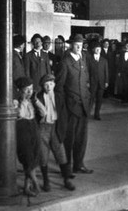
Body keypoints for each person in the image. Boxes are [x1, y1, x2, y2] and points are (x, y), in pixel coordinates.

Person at [56, 34, 93, 175]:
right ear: (71, 45)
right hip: (70, 107)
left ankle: (79, 164)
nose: (80, 47)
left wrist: (88, 98)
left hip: (83, 105)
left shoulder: (83, 60)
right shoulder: (65, 62)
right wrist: (63, 107)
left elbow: (86, 81)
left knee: (82, 138)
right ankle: (67, 167)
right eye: (77, 45)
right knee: (69, 139)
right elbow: (59, 88)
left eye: (81, 45)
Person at [36, 74, 75, 192]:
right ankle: (46, 181)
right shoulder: (38, 97)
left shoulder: (59, 96)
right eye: (46, 85)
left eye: (51, 84)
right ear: (42, 86)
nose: (48, 87)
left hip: (55, 126)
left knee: (61, 153)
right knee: (43, 155)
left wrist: (62, 129)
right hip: (43, 127)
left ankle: (66, 179)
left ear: (54, 85)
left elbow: (63, 113)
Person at [14, 76, 44, 196]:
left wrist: (36, 100)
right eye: (26, 90)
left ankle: (27, 187)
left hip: (33, 128)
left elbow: (44, 112)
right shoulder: (16, 102)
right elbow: (20, 114)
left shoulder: (33, 100)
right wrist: (23, 101)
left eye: (31, 89)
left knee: (35, 158)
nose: (29, 92)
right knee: (27, 158)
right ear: (19, 90)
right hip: (22, 129)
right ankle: (36, 185)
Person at [88, 42, 108, 120]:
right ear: (93, 50)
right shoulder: (89, 59)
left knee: (99, 100)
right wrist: (87, 82)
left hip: (101, 83)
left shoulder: (104, 60)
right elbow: (87, 71)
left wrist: (106, 81)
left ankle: (97, 114)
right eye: (96, 49)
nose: (98, 50)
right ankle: (87, 114)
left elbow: (106, 72)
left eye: (99, 49)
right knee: (91, 99)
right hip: (92, 82)